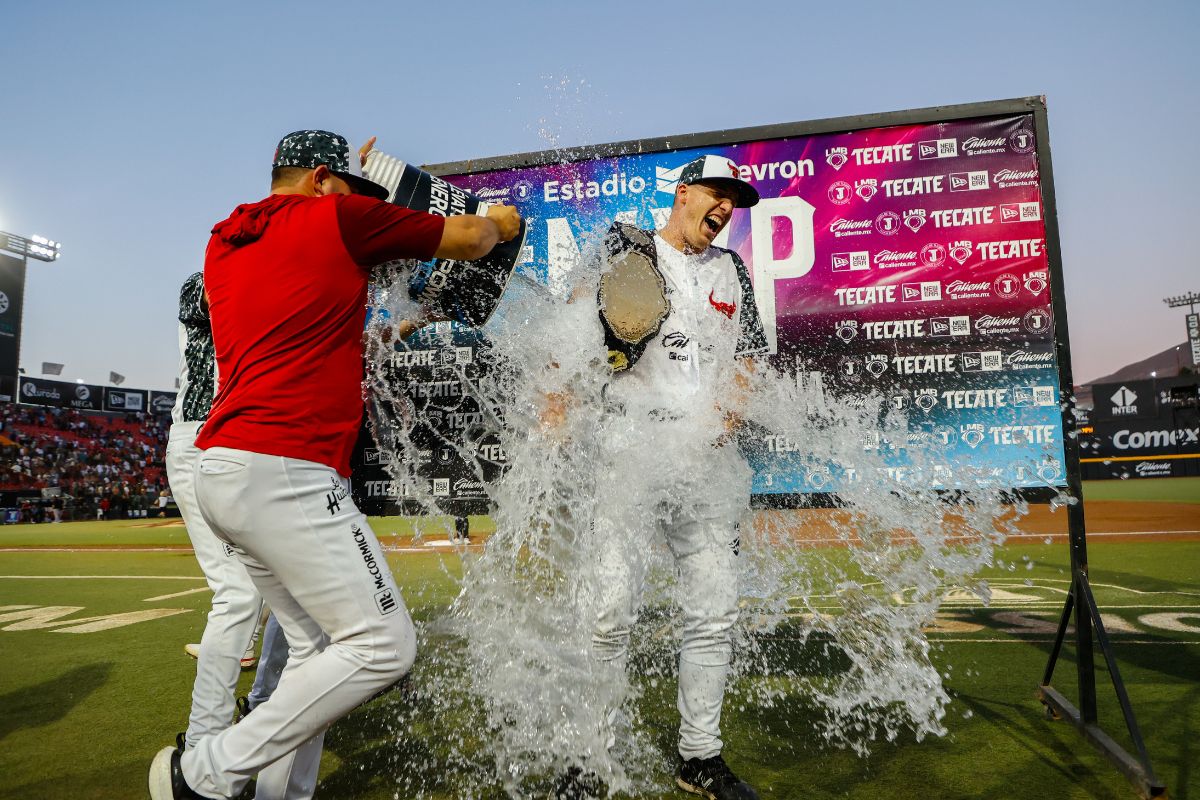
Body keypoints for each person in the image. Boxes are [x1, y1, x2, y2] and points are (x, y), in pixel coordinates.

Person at [149, 129, 521, 800]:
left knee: (319, 649)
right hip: (286, 469)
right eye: (353, 188)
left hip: (222, 465)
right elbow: (468, 240)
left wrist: (407, 321)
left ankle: (278, 794)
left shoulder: (225, 242)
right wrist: (499, 222)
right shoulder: (336, 215)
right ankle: (202, 774)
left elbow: (313, 325)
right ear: (324, 179)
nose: (360, 202)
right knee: (385, 646)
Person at [558, 155, 766, 800]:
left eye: (735, 198)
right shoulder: (627, 245)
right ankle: (589, 760)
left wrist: (723, 422)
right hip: (628, 443)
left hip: (703, 459)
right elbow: (570, 327)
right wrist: (561, 403)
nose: (726, 206)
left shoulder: (733, 271)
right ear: (682, 195)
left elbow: (750, 360)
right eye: (716, 193)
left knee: (713, 611)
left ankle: (699, 756)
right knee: (608, 607)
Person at [165, 270, 265, 756]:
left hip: (238, 438)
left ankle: (263, 691)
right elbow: (222, 300)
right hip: (200, 437)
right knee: (240, 591)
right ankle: (204, 744)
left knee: (280, 576)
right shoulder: (203, 279)